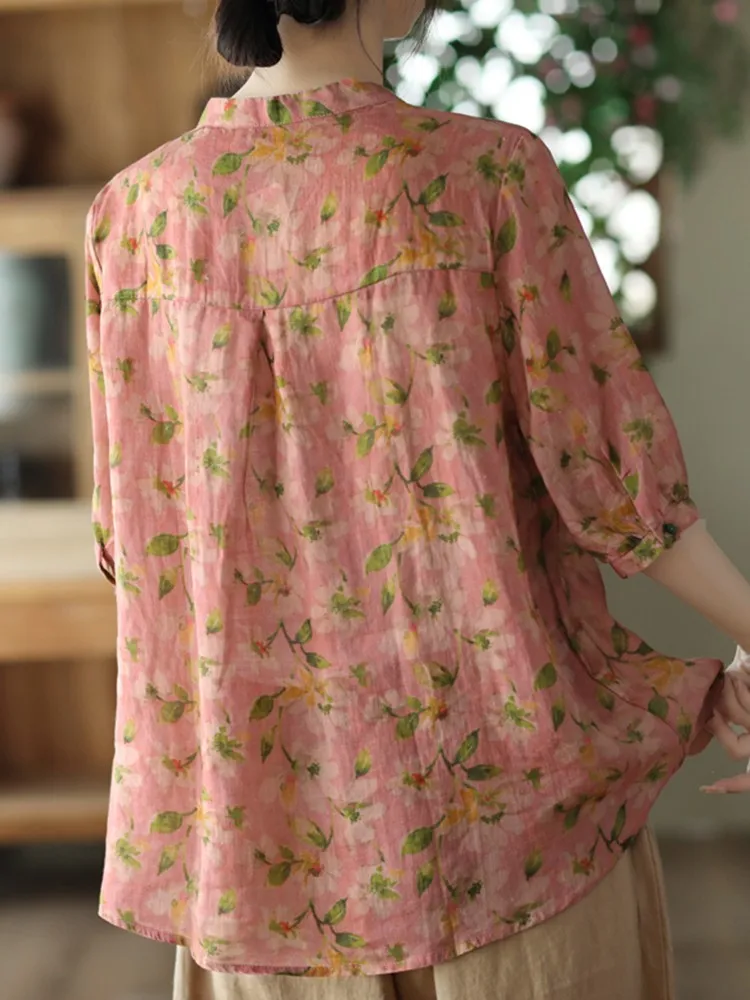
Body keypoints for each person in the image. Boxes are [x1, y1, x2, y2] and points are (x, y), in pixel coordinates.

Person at [84, 1, 750, 998]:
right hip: (508, 845)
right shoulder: (484, 176)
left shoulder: (133, 215)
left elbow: (135, 539)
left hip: (268, 858)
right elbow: (619, 479)